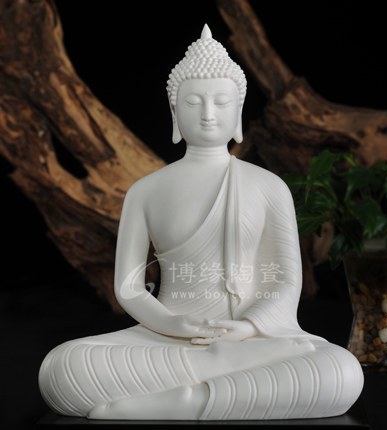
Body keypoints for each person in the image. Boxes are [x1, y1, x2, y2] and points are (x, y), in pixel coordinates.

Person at [39, 24, 363, 421]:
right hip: (168, 338)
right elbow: (128, 287)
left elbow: (285, 281)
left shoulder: (268, 186)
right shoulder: (146, 190)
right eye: (193, 103)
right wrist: (171, 323)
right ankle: (221, 380)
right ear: (174, 111)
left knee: (341, 371)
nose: (208, 114)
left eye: (221, 102)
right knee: (63, 368)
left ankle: (185, 400)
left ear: (238, 111)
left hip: (249, 336)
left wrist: (248, 328)